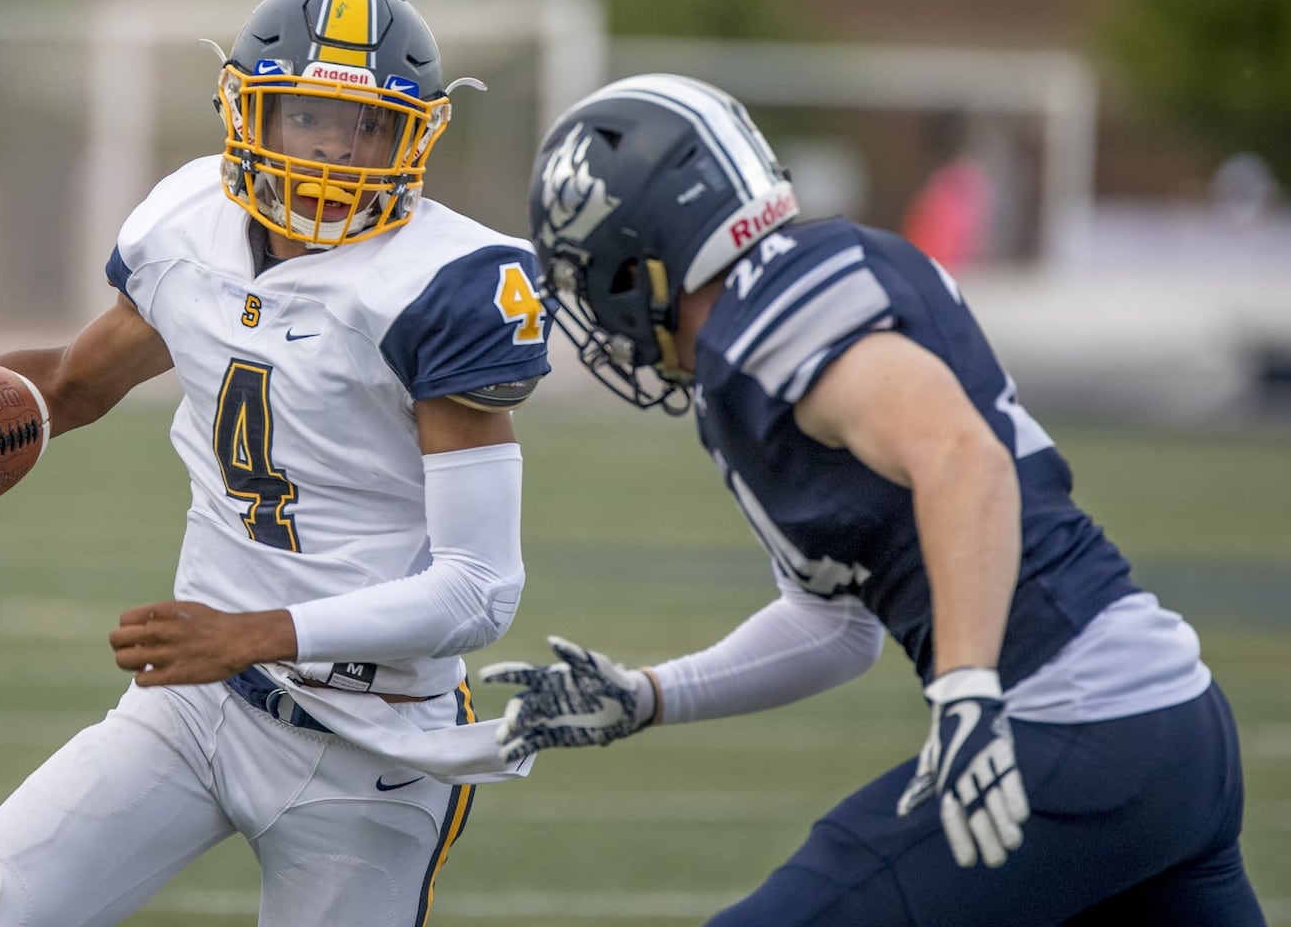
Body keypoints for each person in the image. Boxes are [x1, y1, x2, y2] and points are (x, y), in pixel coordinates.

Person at [0, 0, 550, 927]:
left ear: (415, 134)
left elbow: (478, 588)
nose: (336, 148)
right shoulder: (189, 227)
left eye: (368, 125)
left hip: (375, 738)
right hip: (197, 704)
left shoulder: (444, 284)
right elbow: (73, 385)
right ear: (246, 112)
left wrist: (256, 632)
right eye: (306, 115)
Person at [480, 73, 1265, 926]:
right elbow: (834, 625)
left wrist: (966, 690)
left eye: (595, 275)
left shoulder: (771, 320)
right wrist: (653, 694)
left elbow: (963, 460)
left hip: (1073, 718)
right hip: (1169, 728)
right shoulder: (777, 322)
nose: (599, 310)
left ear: (647, 251)